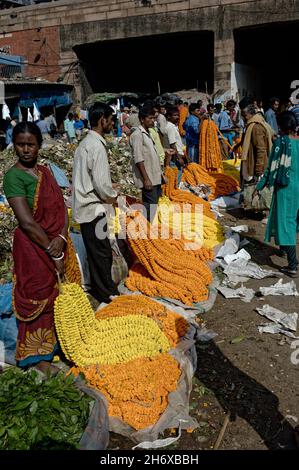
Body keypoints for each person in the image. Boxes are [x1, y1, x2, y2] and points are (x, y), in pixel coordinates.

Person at [3, 122, 69, 371]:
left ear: (39, 145)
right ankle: (36, 356)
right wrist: (54, 252)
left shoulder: (45, 172)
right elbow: (28, 223)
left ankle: (56, 344)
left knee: (57, 296)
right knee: (36, 297)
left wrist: (61, 239)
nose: (26, 150)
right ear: (15, 146)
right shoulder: (13, 177)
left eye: (31, 144)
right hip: (33, 248)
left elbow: (61, 209)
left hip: (55, 243)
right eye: (20, 144)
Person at [72, 102, 120, 304]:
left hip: (84, 208)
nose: (112, 124)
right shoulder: (97, 146)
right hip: (94, 207)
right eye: (111, 120)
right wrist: (113, 196)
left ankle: (101, 289)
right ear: (103, 120)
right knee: (102, 252)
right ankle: (107, 292)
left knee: (95, 251)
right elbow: (101, 184)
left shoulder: (84, 144)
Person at [254, 112, 299, 277]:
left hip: (285, 188)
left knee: (285, 224)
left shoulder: (281, 143)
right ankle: (287, 252)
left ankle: (293, 264)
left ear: (280, 126)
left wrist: (259, 186)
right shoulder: (297, 142)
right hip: (297, 188)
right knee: (291, 222)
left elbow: (271, 168)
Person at [130, 106, 168, 222]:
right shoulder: (137, 135)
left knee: (153, 205)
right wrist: (146, 179)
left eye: (153, 118)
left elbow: (152, 157)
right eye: (150, 118)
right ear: (142, 119)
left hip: (155, 177)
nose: (153, 121)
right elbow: (138, 159)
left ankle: (146, 228)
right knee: (150, 206)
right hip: (148, 178)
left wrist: (161, 175)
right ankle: (144, 230)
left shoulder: (148, 133)